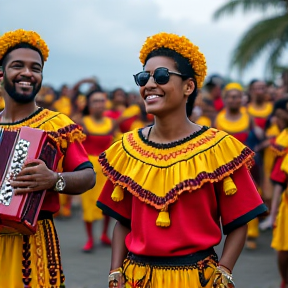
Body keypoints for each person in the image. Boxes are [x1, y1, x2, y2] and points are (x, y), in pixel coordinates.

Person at [96, 32, 267, 288]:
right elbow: (122, 222)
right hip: (137, 279)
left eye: (162, 76)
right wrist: (114, 272)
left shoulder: (219, 148)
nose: (150, 84)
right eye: (144, 77)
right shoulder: (127, 148)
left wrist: (224, 271)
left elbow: (239, 222)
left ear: (188, 86)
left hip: (197, 279)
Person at [0, 29, 95, 287]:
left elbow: (88, 176)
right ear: (1, 73)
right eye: (17, 65)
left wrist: (54, 179)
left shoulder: (57, 124)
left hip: (33, 242)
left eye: (36, 68)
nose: (28, 73)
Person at [80, 88, 115, 252]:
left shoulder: (111, 123)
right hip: (89, 167)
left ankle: (104, 234)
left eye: (101, 101)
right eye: (95, 101)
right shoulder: (83, 122)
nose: (99, 104)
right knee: (88, 204)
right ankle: (89, 238)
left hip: (107, 167)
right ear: (89, 104)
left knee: (107, 203)